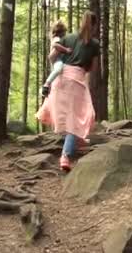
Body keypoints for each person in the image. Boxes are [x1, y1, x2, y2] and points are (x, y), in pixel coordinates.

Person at [36, 11, 100, 171]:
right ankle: (65, 156)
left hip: (60, 79)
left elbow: (52, 56)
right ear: (94, 26)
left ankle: (77, 139)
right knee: (79, 118)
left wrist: (63, 59)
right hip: (76, 81)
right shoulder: (94, 44)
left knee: (70, 117)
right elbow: (93, 68)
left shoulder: (68, 38)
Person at [42, 20, 73, 97]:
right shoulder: (57, 38)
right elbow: (56, 45)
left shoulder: (59, 39)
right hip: (57, 59)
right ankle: (47, 83)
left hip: (58, 58)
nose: (65, 34)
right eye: (64, 32)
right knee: (58, 69)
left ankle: (47, 90)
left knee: (56, 73)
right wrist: (66, 50)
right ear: (60, 32)